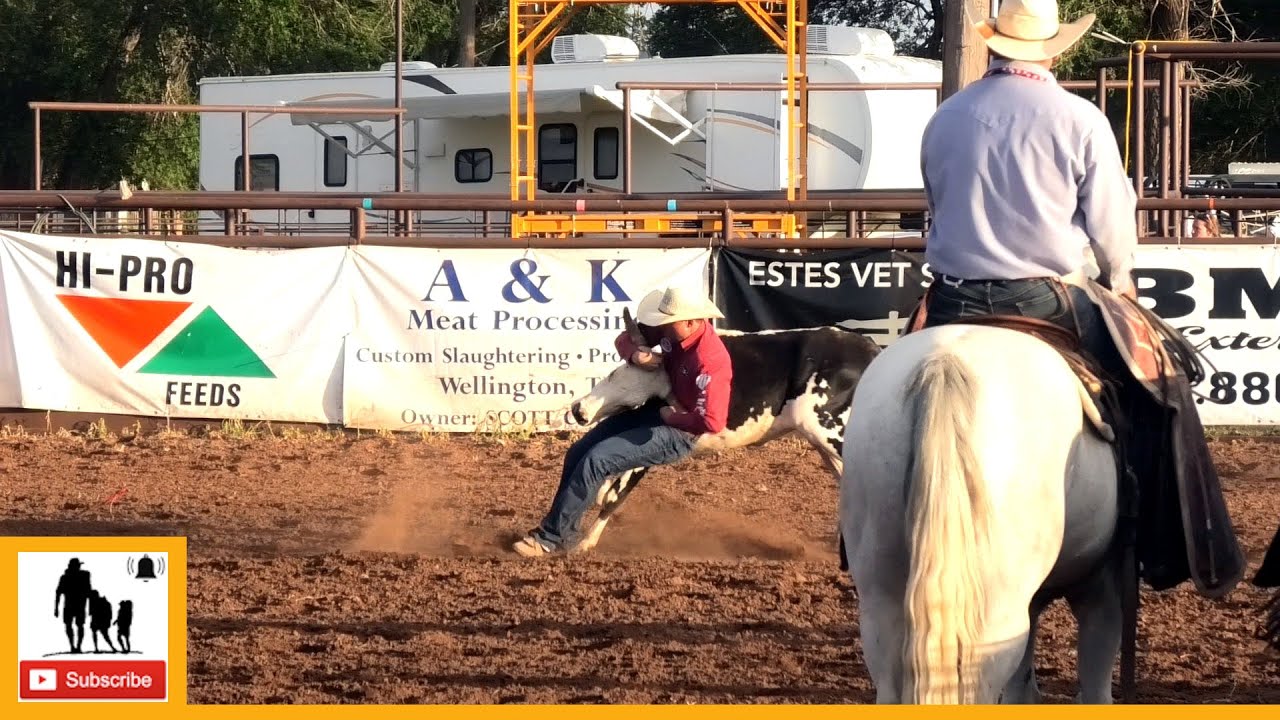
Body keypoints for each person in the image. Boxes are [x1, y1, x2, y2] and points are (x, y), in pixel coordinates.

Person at [912, 0, 1243, 595]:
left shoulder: (946, 117)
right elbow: (1112, 224)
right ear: (1054, 49)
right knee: (1157, 387)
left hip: (953, 301)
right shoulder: (1078, 117)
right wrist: (1122, 282)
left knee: (885, 392)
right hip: (1047, 300)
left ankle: (859, 536)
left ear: (993, 45)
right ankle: (1165, 542)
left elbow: (935, 206)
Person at [512, 286, 733, 557]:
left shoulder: (710, 360)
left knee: (597, 459)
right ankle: (562, 532)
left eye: (668, 321)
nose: (660, 326)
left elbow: (712, 420)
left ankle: (550, 539)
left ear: (690, 322)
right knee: (578, 452)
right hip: (656, 411)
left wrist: (672, 416)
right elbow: (624, 339)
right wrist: (636, 354)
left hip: (680, 432)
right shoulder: (670, 330)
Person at [54, 557, 92, 654]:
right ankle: (74, 646)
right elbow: (58, 592)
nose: (79, 566)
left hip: (76, 605)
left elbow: (88, 591)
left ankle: (76, 646)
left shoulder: (83, 575)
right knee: (74, 625)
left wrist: (56, 608)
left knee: (76, 625)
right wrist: (56, 608)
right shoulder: (82, 576)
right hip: (75, 605)